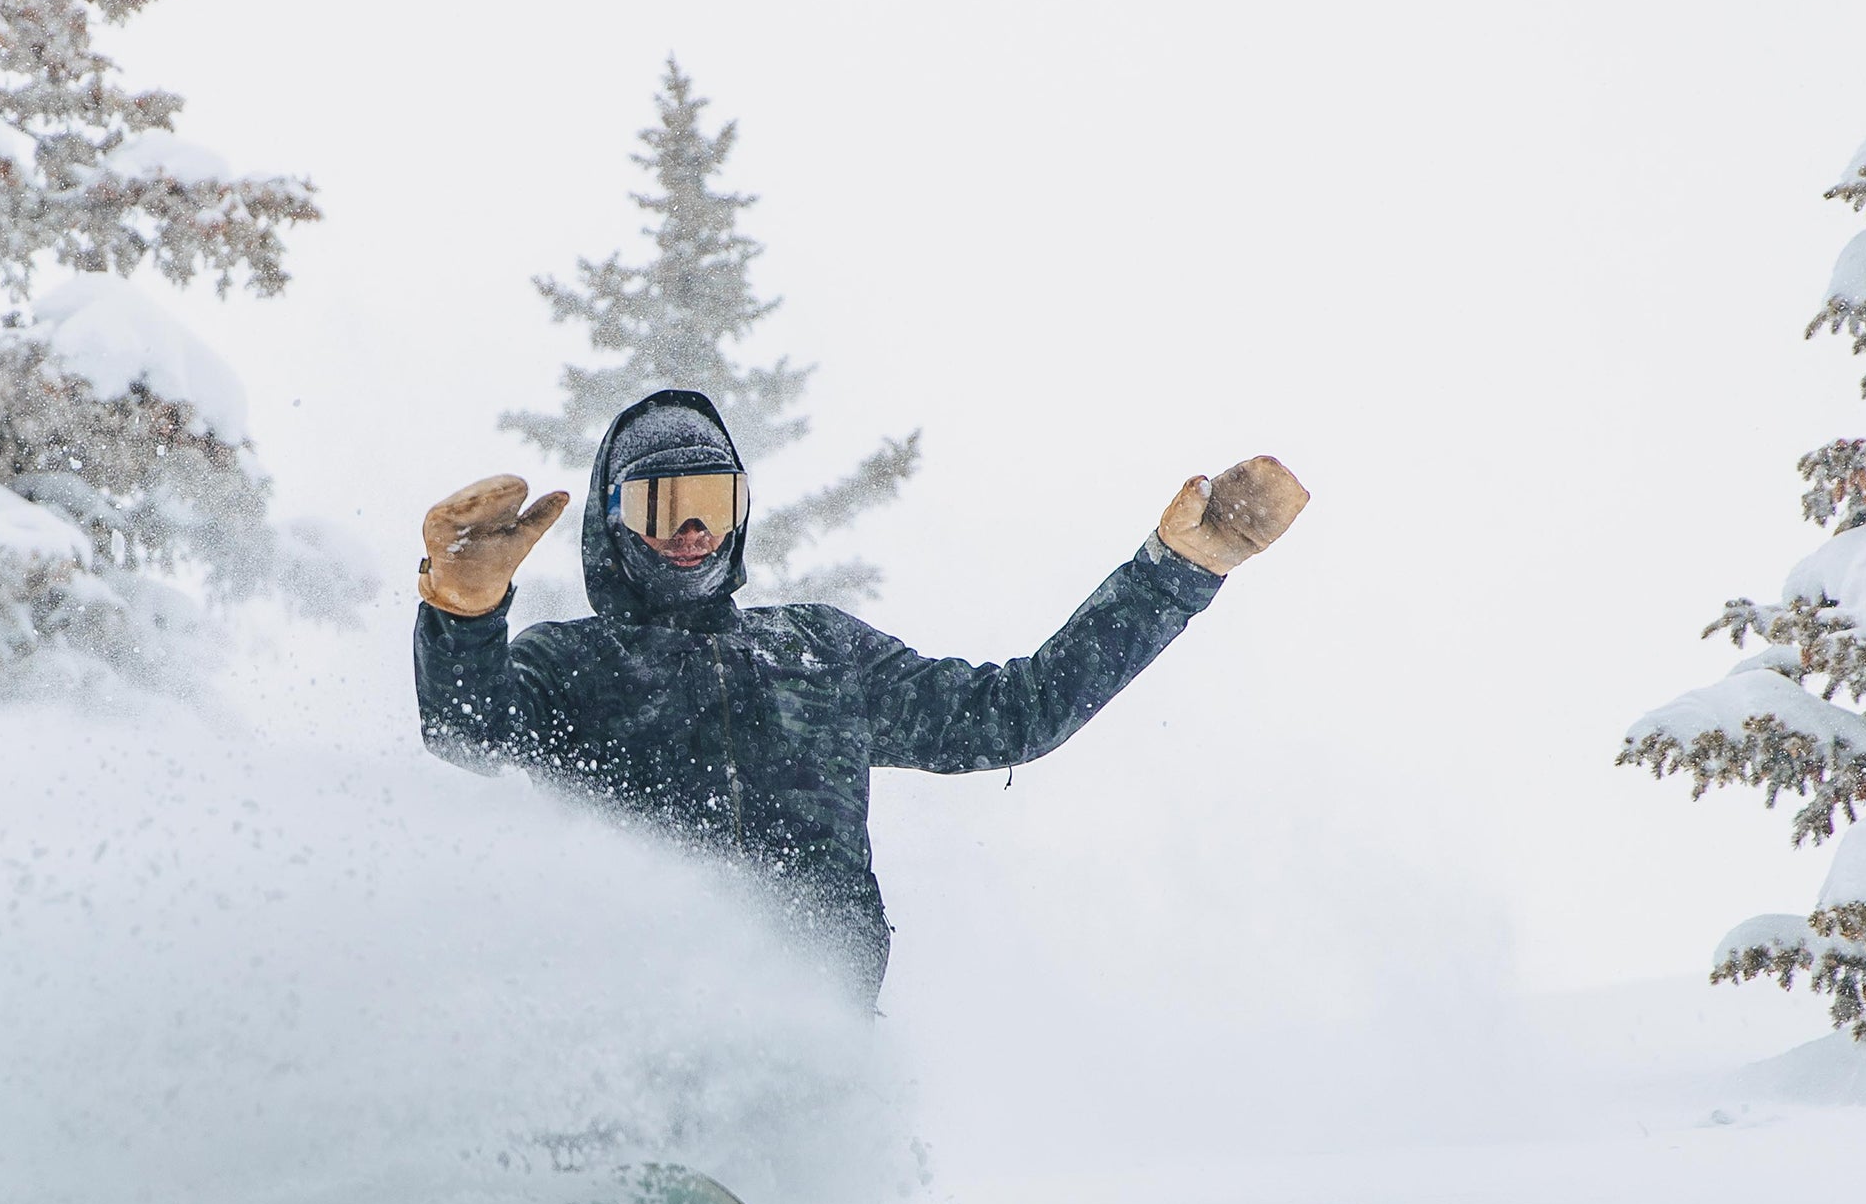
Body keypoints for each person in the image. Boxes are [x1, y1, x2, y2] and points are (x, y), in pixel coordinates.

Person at [412, 387, 1305, 1002]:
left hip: (812, 1008)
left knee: (781, 1064)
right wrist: (466, 612)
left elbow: (1014, 714)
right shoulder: (573, 663)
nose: (689, 531)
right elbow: (467, 731)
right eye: (660, 506)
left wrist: (1175, 572)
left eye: (712, 505)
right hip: (628, 1004)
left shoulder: (819, 652)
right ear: (614, 521)